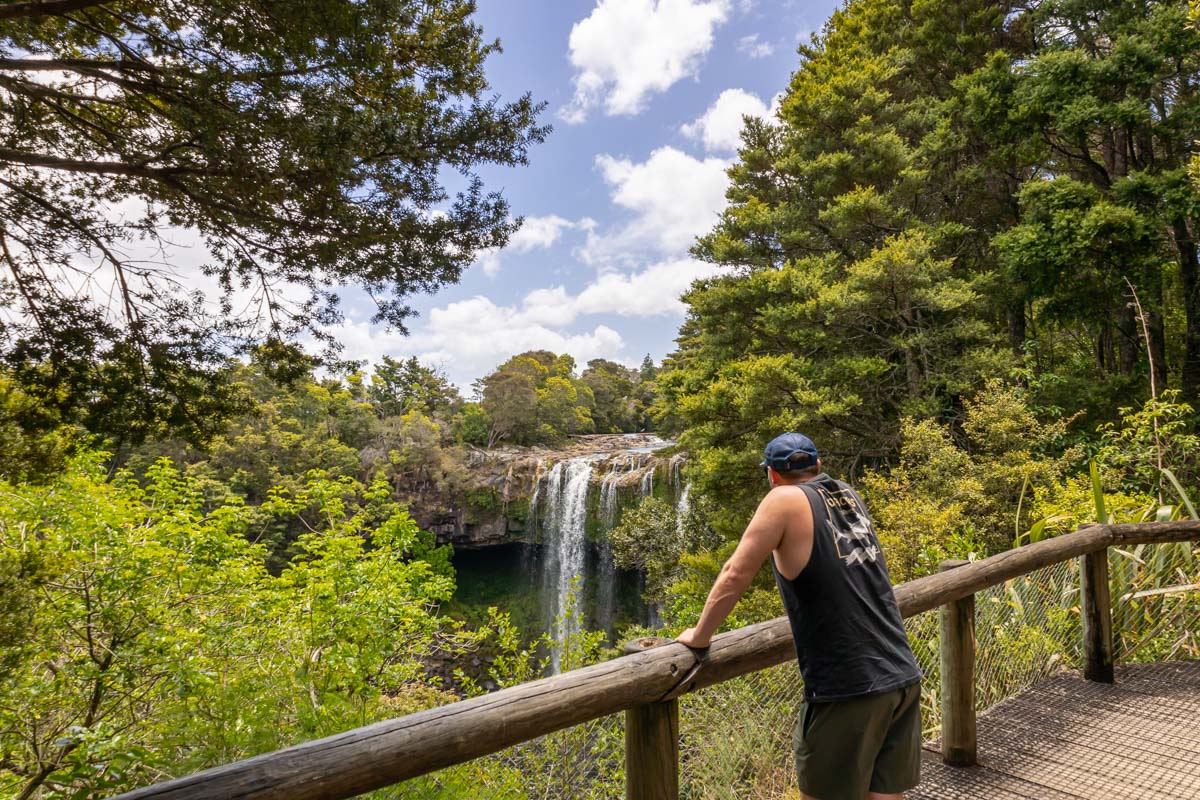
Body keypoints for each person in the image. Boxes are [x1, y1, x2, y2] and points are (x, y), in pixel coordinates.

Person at [676, 432, 923, 800]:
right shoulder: (846, 494)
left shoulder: (783, 499)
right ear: (819, 466)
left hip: (848, 684)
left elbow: (735, 573)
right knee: (883, 795)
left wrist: (699, 636)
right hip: (901, 674)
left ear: (772, 475)